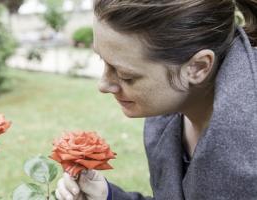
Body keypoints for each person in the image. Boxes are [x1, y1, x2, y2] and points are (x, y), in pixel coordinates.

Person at [55, 0, 257, 199]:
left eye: (126, 75)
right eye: (102, 60)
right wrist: (108, 196)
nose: (103, 85)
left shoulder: (249, 150)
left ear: (198, 67)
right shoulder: (171, 107)